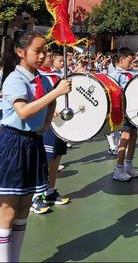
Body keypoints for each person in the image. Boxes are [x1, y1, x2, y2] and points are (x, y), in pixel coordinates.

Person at [0, 31, 71, 262]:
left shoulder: (41, 79)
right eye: (37, 51)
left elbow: (44, 117)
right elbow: (23, 111)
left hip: (33, 143)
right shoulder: (14, 79)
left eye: (45, 51)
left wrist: (52, 109)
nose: (42, 56)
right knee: (7, 211)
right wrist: (54, 94)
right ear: (20, 52)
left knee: (22, 211)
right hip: (13, 144)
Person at [34, 51, 70, 214]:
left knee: (56, 158)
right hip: (47, 124)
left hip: (61, 125)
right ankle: (36, 196)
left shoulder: (58, 76)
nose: (44, 57)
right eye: (58, 59)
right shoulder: (38, 77)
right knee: (45, 161)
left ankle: (50, 190)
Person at [109, 47, 138, 181]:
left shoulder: (131, 72)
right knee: (126, 136)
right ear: (121, 60)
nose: (132, 64)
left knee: (134, 136)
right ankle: (118, 168)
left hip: (133, 109)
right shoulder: (116, 74)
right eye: (129, 61)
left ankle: (129, 165)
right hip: (124, 110)